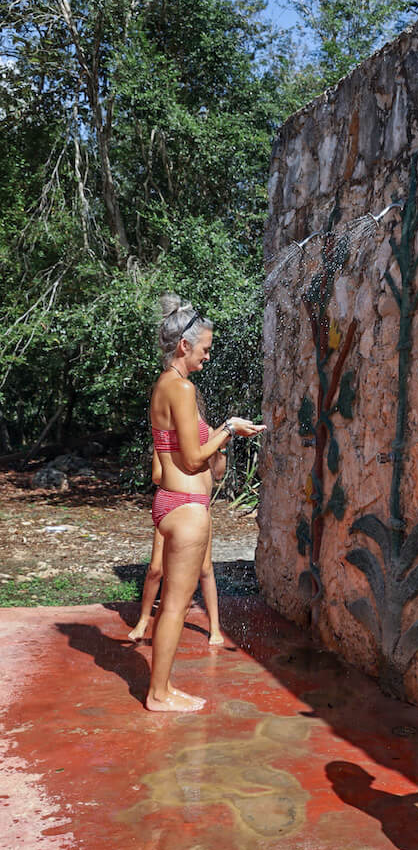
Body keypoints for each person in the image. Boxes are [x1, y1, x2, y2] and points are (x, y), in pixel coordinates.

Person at [145, 295, 264, 712]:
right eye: (205, 349)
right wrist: (229, 428)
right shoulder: (181, 387)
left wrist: (223, 434)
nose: (208, 356)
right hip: (186, 508)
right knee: (176, 606)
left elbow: (176, 458)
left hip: (171, 501)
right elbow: (195, 459)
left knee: (173, 605)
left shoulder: (164, 386)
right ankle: (159, 693)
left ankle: (162, 688)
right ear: (184, 346)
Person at [129, 396, 226, 646]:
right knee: (155, 569)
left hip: (199, 508)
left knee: (205, 569)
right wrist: (184, 463)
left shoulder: (209, 436)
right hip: (174, 506)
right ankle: (142, 619)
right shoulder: (168, 440)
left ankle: (215, 627)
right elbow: (157, 476)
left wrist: (219, 447)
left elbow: (219, 472)